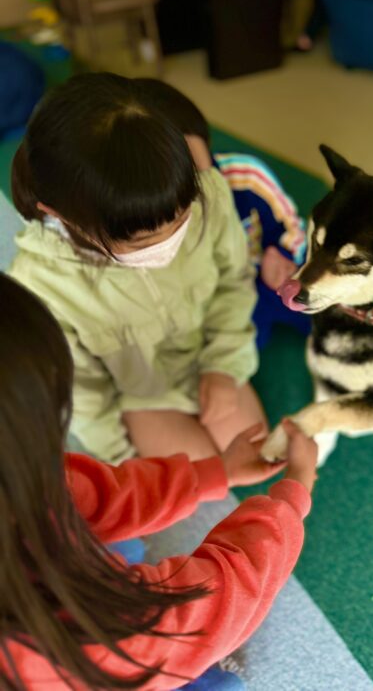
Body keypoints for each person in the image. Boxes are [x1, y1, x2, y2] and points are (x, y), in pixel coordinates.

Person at [0, 272, 318, 690]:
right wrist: (293, 497)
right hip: (102, 659)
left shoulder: (18, 483)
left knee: (120, 544)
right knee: (217, 680)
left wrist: (213, 473)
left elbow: (89, 492)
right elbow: (215, 604)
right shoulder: (78, 636)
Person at [9, 72, 267, 464]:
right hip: (142, 396)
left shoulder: (209, 194)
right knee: (201, 485)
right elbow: (84, 391)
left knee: (256, 456)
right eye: (143, 241)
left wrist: (224, 365)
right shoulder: (40, 285)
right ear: (62, 216)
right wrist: (120, 460)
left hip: (205, 358)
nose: (168, 243)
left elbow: (234, 283)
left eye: (182, 220)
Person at [133, 78, 311, 348]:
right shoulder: (154, 217)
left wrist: (284, 253)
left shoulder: (246, 176)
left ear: (206, 141)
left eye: (198, 167)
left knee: (327, 307)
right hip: (226, 296)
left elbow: (293, 226)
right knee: (233, 349)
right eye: (179, 182)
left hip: (270, 276)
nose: (199, 187)